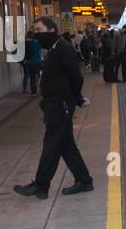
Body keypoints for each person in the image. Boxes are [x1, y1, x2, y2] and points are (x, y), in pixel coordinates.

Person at [13, 16, 94, 199]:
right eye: (34, 30)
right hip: (55, 103)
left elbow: (76, 76)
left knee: (51, 143)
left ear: (51, 30)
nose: (36, 34)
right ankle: (84, 180)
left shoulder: (63, 48)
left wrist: (77, 98)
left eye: (39, 30)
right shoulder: (54, 48)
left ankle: (41, 185)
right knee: (65, 144)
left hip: (61, 104)